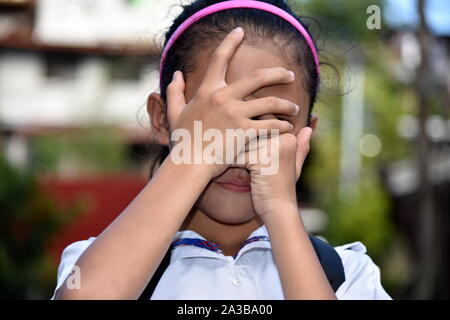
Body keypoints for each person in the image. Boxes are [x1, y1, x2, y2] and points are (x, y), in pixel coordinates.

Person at [52, 0, 392, 300]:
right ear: (161, 119)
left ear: (306, 135)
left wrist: (280, 209)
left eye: (267, 125)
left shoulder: (347, 274)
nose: (238, 150)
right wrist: (194, 159)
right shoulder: (97, 264)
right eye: (219, 125)